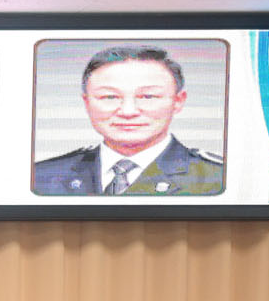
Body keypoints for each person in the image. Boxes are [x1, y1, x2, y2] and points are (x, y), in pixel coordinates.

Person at [32, 44, 224, 197]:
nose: (128, 111)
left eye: (148, 96)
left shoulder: (215, 177)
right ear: (87, 102)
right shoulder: (43, 176)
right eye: (109, 97)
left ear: (178, 101)